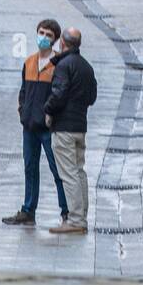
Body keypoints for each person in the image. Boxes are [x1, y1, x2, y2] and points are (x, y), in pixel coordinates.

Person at [3, 17, 69, 227]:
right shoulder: (30, 62)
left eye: (49, 35)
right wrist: (23, 110)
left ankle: (66, 211)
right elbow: (24, 90)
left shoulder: (59, 63)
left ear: (55, 40)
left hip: (49, 127)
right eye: (41, 33)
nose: (44, 38)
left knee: (57, 169)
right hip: (29, 125)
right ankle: (28, 209)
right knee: (30, 168)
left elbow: (60, 94)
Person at [44, 27, 98, 235]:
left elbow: (58, 93)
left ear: (63, 44)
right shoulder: (86, 66)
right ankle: (81, 216)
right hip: (79, 126)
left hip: (64, 127)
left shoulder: (64, 65)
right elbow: (92, 97)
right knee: (79, 170)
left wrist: (48, 109)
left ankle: (75, 220)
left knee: (69, 174)